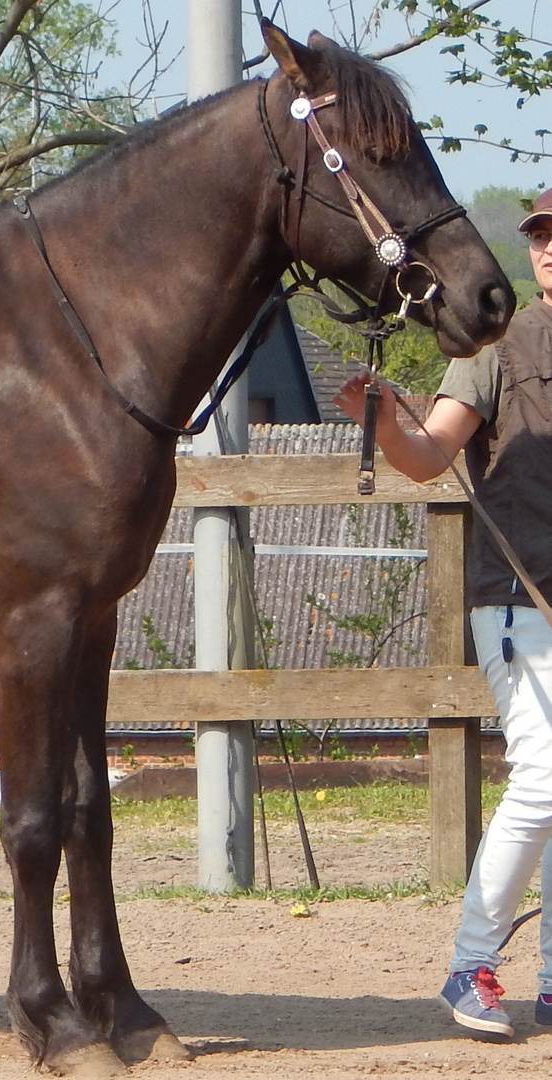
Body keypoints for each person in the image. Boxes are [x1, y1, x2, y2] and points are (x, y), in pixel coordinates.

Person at [336, 187, 552, 1039]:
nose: (547, 251)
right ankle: (470, 965)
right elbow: (429, 457)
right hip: (519, 596)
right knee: (543, 779)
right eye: (540, 238)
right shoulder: (498, 348)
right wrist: (387, 423)